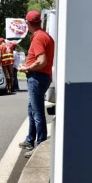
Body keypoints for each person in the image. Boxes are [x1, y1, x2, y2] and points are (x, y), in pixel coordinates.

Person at [18, 11, 55, 157]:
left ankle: (40, 146)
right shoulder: (46, 36)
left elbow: (41, 61)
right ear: (39, 21)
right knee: (32, 110)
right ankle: (30, 139)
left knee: (37, 112)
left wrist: (26, 68)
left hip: (37, 78)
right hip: (43, 77)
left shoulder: (38, 38)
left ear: (27, 24)